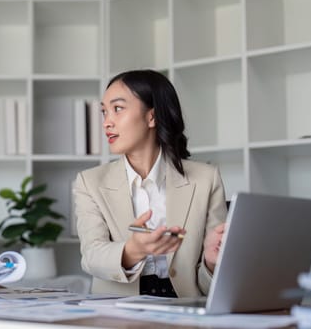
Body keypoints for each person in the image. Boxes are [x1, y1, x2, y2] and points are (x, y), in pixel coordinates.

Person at [73, 69, 227, 297]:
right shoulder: (89, 182)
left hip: (185, 308)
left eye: (117, 109)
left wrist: (213, 263)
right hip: (117, 311)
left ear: (151, 117)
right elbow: (92, 256)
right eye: (104, 112)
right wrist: (133, 251)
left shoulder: (206, 179)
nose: (107, 122)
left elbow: (209, 283)